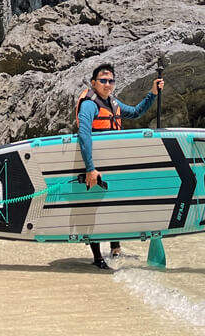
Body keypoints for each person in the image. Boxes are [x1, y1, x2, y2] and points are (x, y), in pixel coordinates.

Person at [75, 63, 164, 269]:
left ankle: (115, 249)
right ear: (94, 82)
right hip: (93, 164)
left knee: (113, 204)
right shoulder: (90, 104)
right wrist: (90, 168)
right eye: (103, 80)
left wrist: (152, 93)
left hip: (112, 163)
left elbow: (135, 113)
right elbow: (84, 134)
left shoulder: (112, 102)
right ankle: (98, 258)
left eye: (111, 81)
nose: (107, 84)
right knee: (93, 208)